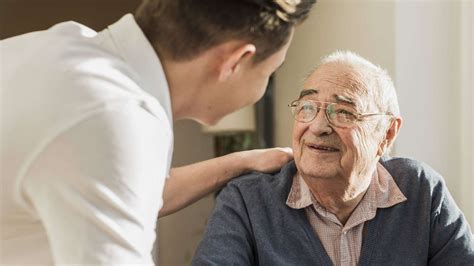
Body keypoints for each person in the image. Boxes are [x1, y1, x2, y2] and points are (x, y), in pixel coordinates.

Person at [0, 0, 317, 264]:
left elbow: (121, 191)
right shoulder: (112, 118)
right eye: (269, 73)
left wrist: (242, 161)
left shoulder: (64, 47)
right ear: (236, 61)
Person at [192, 51, 474, 265]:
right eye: (307, 107)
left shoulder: (421, 190)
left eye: (343, 112)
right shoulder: (246, 200)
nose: (317, 126)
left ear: (387, 133)